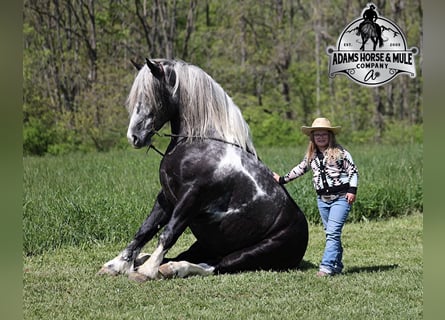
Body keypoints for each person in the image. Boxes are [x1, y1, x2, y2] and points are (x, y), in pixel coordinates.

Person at [273, 117, 359, 277]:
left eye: (324, 134)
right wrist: (282, 179)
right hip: (323, 200)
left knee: (333, 233)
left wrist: (352, 190)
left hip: (341, 198)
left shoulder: (340, 153)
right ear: (312, 137)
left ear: (330, 136)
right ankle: (337, 265)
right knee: (331, 233)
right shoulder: (311, 156)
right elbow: (299, 169)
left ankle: (326, 267)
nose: (320, 137)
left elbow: (352, 172)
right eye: (317, 135)